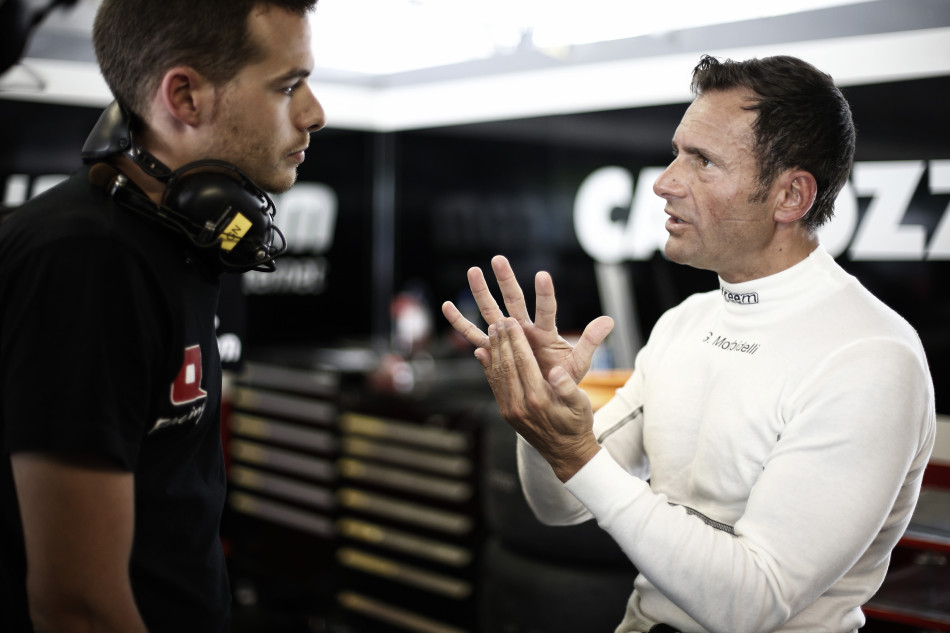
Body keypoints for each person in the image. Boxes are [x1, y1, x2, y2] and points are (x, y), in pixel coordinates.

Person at [443, 54, 935, 633]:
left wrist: (575, 453)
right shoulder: (686, 322)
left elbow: (754, 602)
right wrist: (542, 422)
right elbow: (561, 505)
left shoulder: (870, 357)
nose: (664, 182)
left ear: (790, 197)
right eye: (677, 152)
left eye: (702, 161)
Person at [0, 1, 325, 631]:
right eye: (288, 86)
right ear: (185, 98)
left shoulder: (177, 238)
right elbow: (79, 608)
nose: (314, 113)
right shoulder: (85, 261)